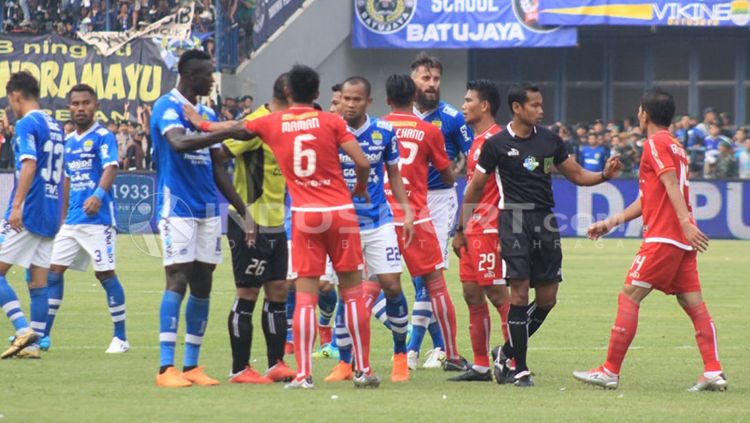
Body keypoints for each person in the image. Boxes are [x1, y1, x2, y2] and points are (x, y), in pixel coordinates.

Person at [181, 64, 378, 389]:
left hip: (304, 215)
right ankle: (364, 370)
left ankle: (303, 374)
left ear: (287, 93)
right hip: (340, 213)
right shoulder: (332, 120)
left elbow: (234, 128)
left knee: (305, 298)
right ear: (317, 93)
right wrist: (359, 186)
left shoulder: (274, 122)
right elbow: (363, 162)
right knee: (353, 293)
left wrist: (201, 123)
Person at [465, 82, 621, 387]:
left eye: (541, 105)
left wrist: (603, 175)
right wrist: (461, 226)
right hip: (513, 219)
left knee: (548, 299)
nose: (541, 110)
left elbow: (575, 174)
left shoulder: (550, 141)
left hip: (545, 221)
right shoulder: (496, 145)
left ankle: (505, 352)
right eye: (534, 105)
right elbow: (475, 187)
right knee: (519, 294)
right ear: (517, 108)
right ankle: (519, 367)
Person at [573, 88, 727, 392]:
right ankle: (713, 370)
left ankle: (609, 371)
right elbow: (648, 198)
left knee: (629, 295)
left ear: (644, 114)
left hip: (666, 236)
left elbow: (670, 184)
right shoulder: (676, 145)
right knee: (693, 302)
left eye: (639, 111)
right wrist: (609, 223)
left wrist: (683, 223)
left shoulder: (654, 143)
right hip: (679, 240)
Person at [183, 73, 297, 384]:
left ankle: (276, 364)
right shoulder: (255, 124)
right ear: (288, 93)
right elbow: (217, 156)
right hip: (249, 224)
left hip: (276, 222)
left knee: (277, 293)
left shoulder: (284, 124)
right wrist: (243, 210)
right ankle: (239, 368)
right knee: (247, 294)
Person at [323, 76, 414, 383]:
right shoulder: (329, 130)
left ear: (368, 102)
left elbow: (394, 174)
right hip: (340, 224)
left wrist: (407, 211)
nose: (350, 104)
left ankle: (400, 353)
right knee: (344, 291)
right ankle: (345, 363)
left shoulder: (384, 131)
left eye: (356, 99)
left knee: (392, 286)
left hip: (378, 221)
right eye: (345, 98)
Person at [149, 50, 228, 388]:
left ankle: (192, 365)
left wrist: (240, 208)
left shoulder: (207, 113)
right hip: (178, 206)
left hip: (209, 208)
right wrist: (226, 131)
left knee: (203, 281)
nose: (212, 79)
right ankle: (167, 368)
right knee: (177, 277)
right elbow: (179, 143)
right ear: (188, 73)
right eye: (207, 73)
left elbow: (219, 166)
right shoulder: (167, 106)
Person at [382, 73, 467, 373]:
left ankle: (354, 360)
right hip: (418, 215)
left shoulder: (378, 128)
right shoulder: (429, 131)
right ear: (414, 97)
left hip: (382, 219)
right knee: (436, 285)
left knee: (365, 288)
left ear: (388, 98)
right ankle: (452, 353)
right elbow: (446, 174)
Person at [43, 84, 128, 354]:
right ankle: (43, 336)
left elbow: (111, 166)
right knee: (53, 272)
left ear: (96, 105)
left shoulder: (103, 136)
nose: (80, 108)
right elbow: (66, 179)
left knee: (104, 274)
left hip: (98, 220)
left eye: (86, 103)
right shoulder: (67, 142)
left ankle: (121, 338)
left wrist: (99, 195)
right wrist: (62, 216)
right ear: (69, 107)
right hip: (73, 221)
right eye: (76, 104)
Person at [406, 52, 473, 369]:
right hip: (407, 201)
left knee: (428, 277)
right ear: (412, 80)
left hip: (439, 201)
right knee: (416, 277)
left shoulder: (451, 117)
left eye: (435, 79)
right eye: (425, 78)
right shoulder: (402, 115)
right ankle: (442, 347)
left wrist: (457, 170)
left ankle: (410, 351)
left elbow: (474, 157)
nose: (432, 84)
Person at [0, 71, 64, 359]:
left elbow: (28, 165)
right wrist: (59, 213)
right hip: (50, 211)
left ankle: (23, 328)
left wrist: (16, 206)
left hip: (29, 209)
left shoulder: (27, 122)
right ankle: (35, 346)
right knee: (37, 281)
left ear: (15, 95)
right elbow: (63, 175)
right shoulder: (55, 125)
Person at [449, 80, 510, 382]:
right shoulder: (476, 141)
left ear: (484, 106)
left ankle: (513, 361)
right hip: (472, 230)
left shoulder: (499, 140)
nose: (463, 105)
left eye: (468, 100)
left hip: (490, 229)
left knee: (498, 295)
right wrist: (460, 230)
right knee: (472, 294)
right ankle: (482, 365)